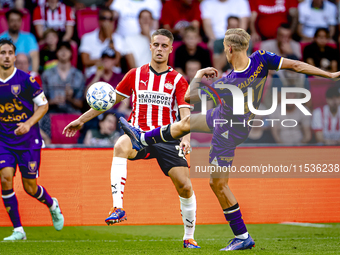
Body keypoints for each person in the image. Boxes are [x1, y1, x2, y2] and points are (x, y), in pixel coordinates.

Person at [119, 28, 340, 251]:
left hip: (227, 130)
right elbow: (297, 65)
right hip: (229, 118)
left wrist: (197, 76)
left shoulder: (229, 82)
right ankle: (143, 138)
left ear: (230, 49)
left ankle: (242, 236)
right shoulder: (261, 58)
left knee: (218, 184)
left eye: (224, 48)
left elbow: (188, 97)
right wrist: (329, 75)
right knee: (186, 123)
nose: (224, 52)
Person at [63, 29, 200, 249]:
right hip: (139, 136)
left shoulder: (178, 80)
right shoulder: (134, 74)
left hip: (167, 138)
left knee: (184, 186)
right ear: (150, 46)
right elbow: (108, 102)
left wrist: (186, 139)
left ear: (171, 49)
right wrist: (81, 119)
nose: (159, 49)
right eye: (156, 44)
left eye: (164, 46)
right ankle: (118, 207)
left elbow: (185, 115)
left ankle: (189, 236)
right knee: (120, 144)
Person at [0, 38, 64, 241]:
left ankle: (52, 204)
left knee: (30, 187)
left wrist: (28, 124)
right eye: (2, 53)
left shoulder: (26, 80)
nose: (7, 56)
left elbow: (43, 106)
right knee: (5, 178)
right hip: (4, 140)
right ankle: (18, 230)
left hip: (28, 141)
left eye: (10, 52)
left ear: (15, 55)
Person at [79, 7, 135, 78]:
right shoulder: (87, 37)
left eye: (110, 19)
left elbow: (116, 61)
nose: (107, 22)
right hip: (93, 76)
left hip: (113, 77)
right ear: (99, 20)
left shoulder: (118, 38)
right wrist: (107, 62)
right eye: (104, 18)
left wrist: (110, 37)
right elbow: (85, 61)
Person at [42, 41, 85, 114]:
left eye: (67, 49)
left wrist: (70, 99)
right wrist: (53, 101)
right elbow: (39, 102)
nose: (64, 52)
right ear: (56, 52)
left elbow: (82, 105)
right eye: (61, 49)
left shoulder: (78, 75)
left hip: (73, 116)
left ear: (71, 53)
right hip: (52, 115)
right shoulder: (47, 74)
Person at [0, 9, 39, 75]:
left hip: (26, 75)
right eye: (12, 20)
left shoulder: (29, 38)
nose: (15, 23)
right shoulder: (1, 38)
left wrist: (33, 74)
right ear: (7, 21)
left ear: (21, 21)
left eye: (18, 20)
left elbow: (34, 57)